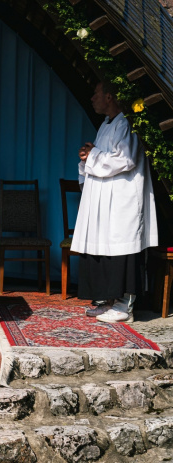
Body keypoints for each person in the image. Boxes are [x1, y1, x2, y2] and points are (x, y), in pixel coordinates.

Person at [72, 81, 157, 323]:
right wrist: (88, 155)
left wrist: (94, 155)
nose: (92, 98)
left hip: (122, 199)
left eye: (96, 93)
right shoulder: (106, 125)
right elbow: (103, 157)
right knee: (104, 247)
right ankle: (107, 300)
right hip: (104, 199)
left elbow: (125, 159)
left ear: (109, 96)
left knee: (122, 248)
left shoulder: (125, 123)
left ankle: (124, 305)